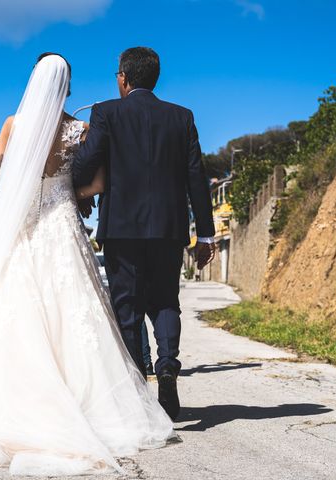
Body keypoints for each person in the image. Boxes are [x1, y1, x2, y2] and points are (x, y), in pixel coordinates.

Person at [0, 53, 175, 477]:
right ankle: (83, 406)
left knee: (14, 307)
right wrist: (68, 189)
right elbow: (95, 182)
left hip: (23, 225)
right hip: (61, 222)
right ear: (65, 86)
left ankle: (7, 405)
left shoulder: (14, 124)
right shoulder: (79, 130)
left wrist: (24, 184)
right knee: (73, 311)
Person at [72, 47, 216, 422]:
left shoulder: (106, 112)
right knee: (166, 301)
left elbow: (88, 160)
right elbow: (196, 178)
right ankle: (167, 366)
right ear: (154, 77)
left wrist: (66, 186)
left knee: (128, 308)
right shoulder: (182, 117)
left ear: (123, 78)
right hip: (169, 229)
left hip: (121, 228)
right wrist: (205, 235)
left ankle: (139, 392)